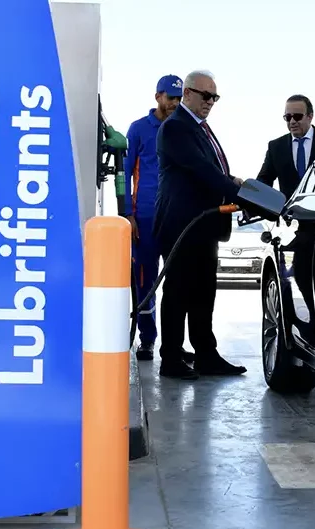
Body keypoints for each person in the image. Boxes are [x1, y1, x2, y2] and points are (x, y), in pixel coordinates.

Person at [152, 69, 248, 380]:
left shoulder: (199, 128)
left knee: (204, 293)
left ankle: (206, 355)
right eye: (205, 95)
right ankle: (170, 359)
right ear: (188, 93)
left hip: (204, 226)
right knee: (178, 292)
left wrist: (235, 183)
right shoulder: (176, 128)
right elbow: (202, 170)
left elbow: (214, 170)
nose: (210, 102)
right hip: (182, 226)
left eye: (214, 97)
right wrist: (241, 194)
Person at [123, 74, 182, 362]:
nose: (175, 104)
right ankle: (147, 339)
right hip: (144, 219)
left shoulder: (183, 129)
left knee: (178, 282)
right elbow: (124, 172)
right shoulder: (138, 129)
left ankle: (175, 344)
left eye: (179, 99)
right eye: (171, 98)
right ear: (158, 96)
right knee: (145, 282)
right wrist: (128, 214)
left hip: (176, 218)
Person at [256, 94, 315, 197]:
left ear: (310, 116)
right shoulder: (276, 147)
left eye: (297, 116)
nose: (292, 121)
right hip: (291, 207)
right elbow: (264, 180)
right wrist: (247, 190)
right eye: (288, 117)